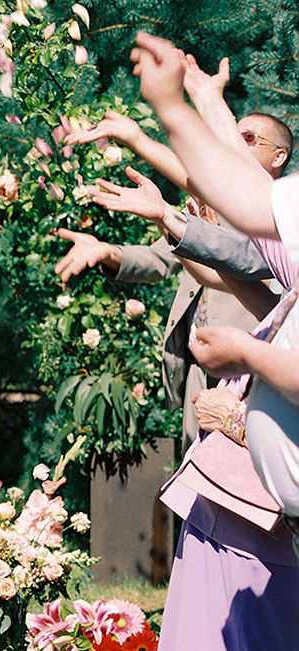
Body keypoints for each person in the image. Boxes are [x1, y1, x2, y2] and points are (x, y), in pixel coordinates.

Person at [126, 35, 299, 651]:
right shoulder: (270, 212)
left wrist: (250, 364)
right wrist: (165, 115)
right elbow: (237, 212)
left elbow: (240, 230)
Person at [56, 107, 289, 449]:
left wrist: (144, 144)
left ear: (279, 155)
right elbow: (158, 258)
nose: (234, 146)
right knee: (194, 470)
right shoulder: (210, 204)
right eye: (230, 137)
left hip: (250, 367)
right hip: (197, 363)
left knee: (235, 473)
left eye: (249, 139)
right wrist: (109, 251)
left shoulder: (277, 217)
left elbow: (235, 274)